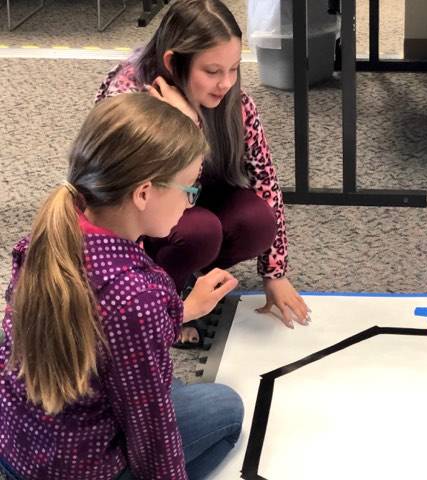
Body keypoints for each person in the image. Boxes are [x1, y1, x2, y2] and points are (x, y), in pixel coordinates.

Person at [0, 94, 243, 480]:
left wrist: (185, 310)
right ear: (144, 193)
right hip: (83, 467)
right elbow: (151, 429)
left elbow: (102, 333)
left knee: (171, 387)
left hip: (18, 451)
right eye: (189, 191)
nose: (190, 205)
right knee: (225, 408)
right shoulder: (136, 296)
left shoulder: (49, 237)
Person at [95, 0, 310, 348]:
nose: (226, 83)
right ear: (173, 62)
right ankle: (167, 295)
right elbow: (119, 207)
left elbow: (266, 181)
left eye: (234, 68)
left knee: (257, 220)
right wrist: (184, 126)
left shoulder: (236, 103)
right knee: (199, 232)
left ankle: (192, 272)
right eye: (212, 71)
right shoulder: (127, 100)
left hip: (194, 196)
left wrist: (275, 274)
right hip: (144, 212)